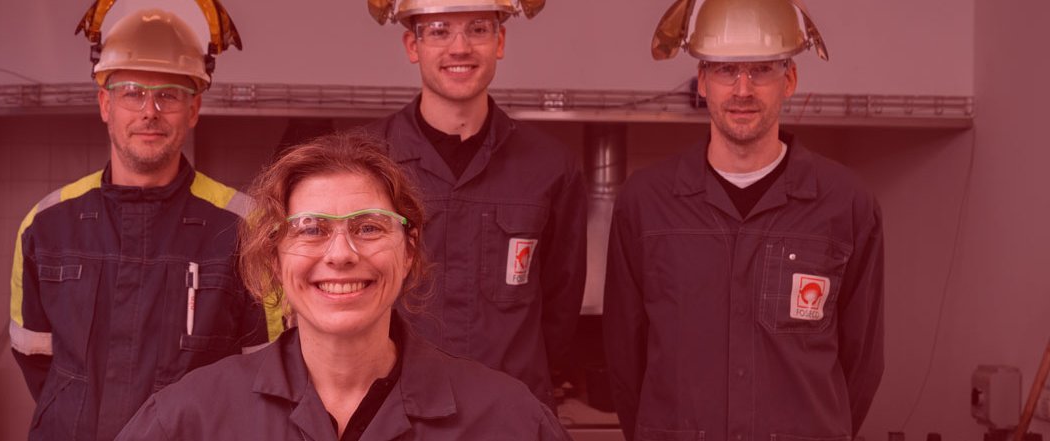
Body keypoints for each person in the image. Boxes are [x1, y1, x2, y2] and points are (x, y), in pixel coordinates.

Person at [114, 132, 569, 441]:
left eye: (369, 228)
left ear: (408, 250)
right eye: (310, 228)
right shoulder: (189, 419)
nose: (341, 253)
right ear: (274, 258)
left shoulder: (507, 419)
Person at [604, 0, 884, 439]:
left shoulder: (846, 204)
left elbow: (861, 363)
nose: (742, 90)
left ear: (789, 79)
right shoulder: (646, 204)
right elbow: (624, 359)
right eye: (724, 70)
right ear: (701, 82)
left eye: (761, 70)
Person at [9, 8, 271, 441]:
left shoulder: (245, 227)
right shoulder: (46, 225)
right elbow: (35, 359)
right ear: (105, 104)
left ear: (193, 109)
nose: (150, 112)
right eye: (132, 93)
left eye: (169, 95)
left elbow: (268, 370)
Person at [364, 0, 587, 409]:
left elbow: (560, 308)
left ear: (499, 41)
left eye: (479, 29)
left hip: (511, 418)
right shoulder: (364, 164)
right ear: (412, 46)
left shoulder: (551, 168)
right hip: (390, 417)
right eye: (439, 30)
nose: (460, 47)